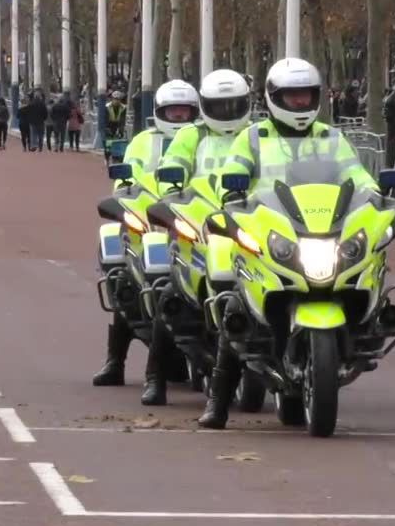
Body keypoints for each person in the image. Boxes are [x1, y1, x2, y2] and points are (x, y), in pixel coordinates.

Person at [199, 59, 376, 430]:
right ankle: (217, 401)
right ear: (275, 97)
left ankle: (355, 338)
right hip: (269, 231)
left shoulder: (331, 137)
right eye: (292, 97)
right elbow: (232, 172)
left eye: (305, 96)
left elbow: (355, 173)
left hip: (321, 227)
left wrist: (373, 194)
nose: (299, 104)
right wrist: (231, 185)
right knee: (235, 308)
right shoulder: (253, 138)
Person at [142, 69, 253, 406]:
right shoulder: (191, 135)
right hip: (197, 225)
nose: (227, 111)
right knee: (169, 295)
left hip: (246, 222)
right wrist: (172, 192)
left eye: (234, 104)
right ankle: (155, 379)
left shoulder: (256, 135)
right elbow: (172, 168)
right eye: (219, 105)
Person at [91, 80, 201, 389]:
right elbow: (127, 180)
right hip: (146, 225)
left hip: (189, 223)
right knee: (125, 284)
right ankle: (115, 362)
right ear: (160, 111)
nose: (178, 118)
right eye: (173, 112)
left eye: (184, 112)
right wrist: (127, 203)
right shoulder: (142, 141)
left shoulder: (203, 140)